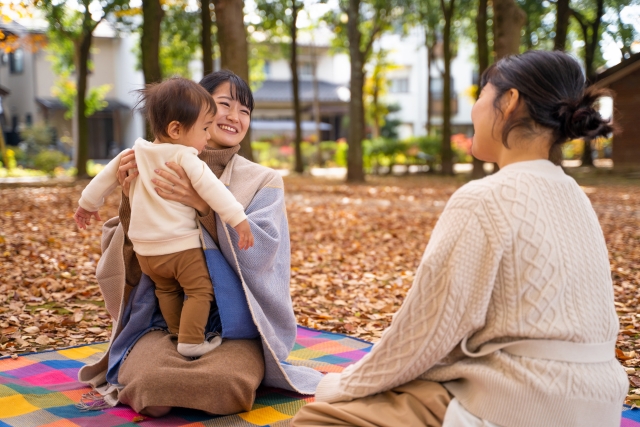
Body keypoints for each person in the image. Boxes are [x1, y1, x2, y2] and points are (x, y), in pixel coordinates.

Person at [292, 50, 628, 427]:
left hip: (524, 403)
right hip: (600, 405)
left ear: (510, 100)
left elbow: (426, 333)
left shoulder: (485, 197)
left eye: (482, 95)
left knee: (320, 419)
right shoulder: (575, 196)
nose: (474, 110)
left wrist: (343, 385)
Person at [77, 70, 321, 417]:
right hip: (163, 320)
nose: (235, 117)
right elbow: (132, 253)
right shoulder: (148, 163)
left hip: (233, 327)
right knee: (152, 390)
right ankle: (170, 352)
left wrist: (204, 206)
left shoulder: (263, 180)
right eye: (224, 105)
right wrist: (129, 195)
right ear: (195, 108)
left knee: (225, 386)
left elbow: (265, 254)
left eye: (245, 111)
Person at [74, 77, 254, 358]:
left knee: (167, 291)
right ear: (176, 128)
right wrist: (238, 220)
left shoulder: (136, 151)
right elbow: (215, 191)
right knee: (199, 289)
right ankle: (191, 339)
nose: (206, 136)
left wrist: (87, 204)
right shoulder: (185, 157)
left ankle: (176, 333)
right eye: (205, 126)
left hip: (148, 252)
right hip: (180, 247)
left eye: (245, 110)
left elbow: (101, 179)